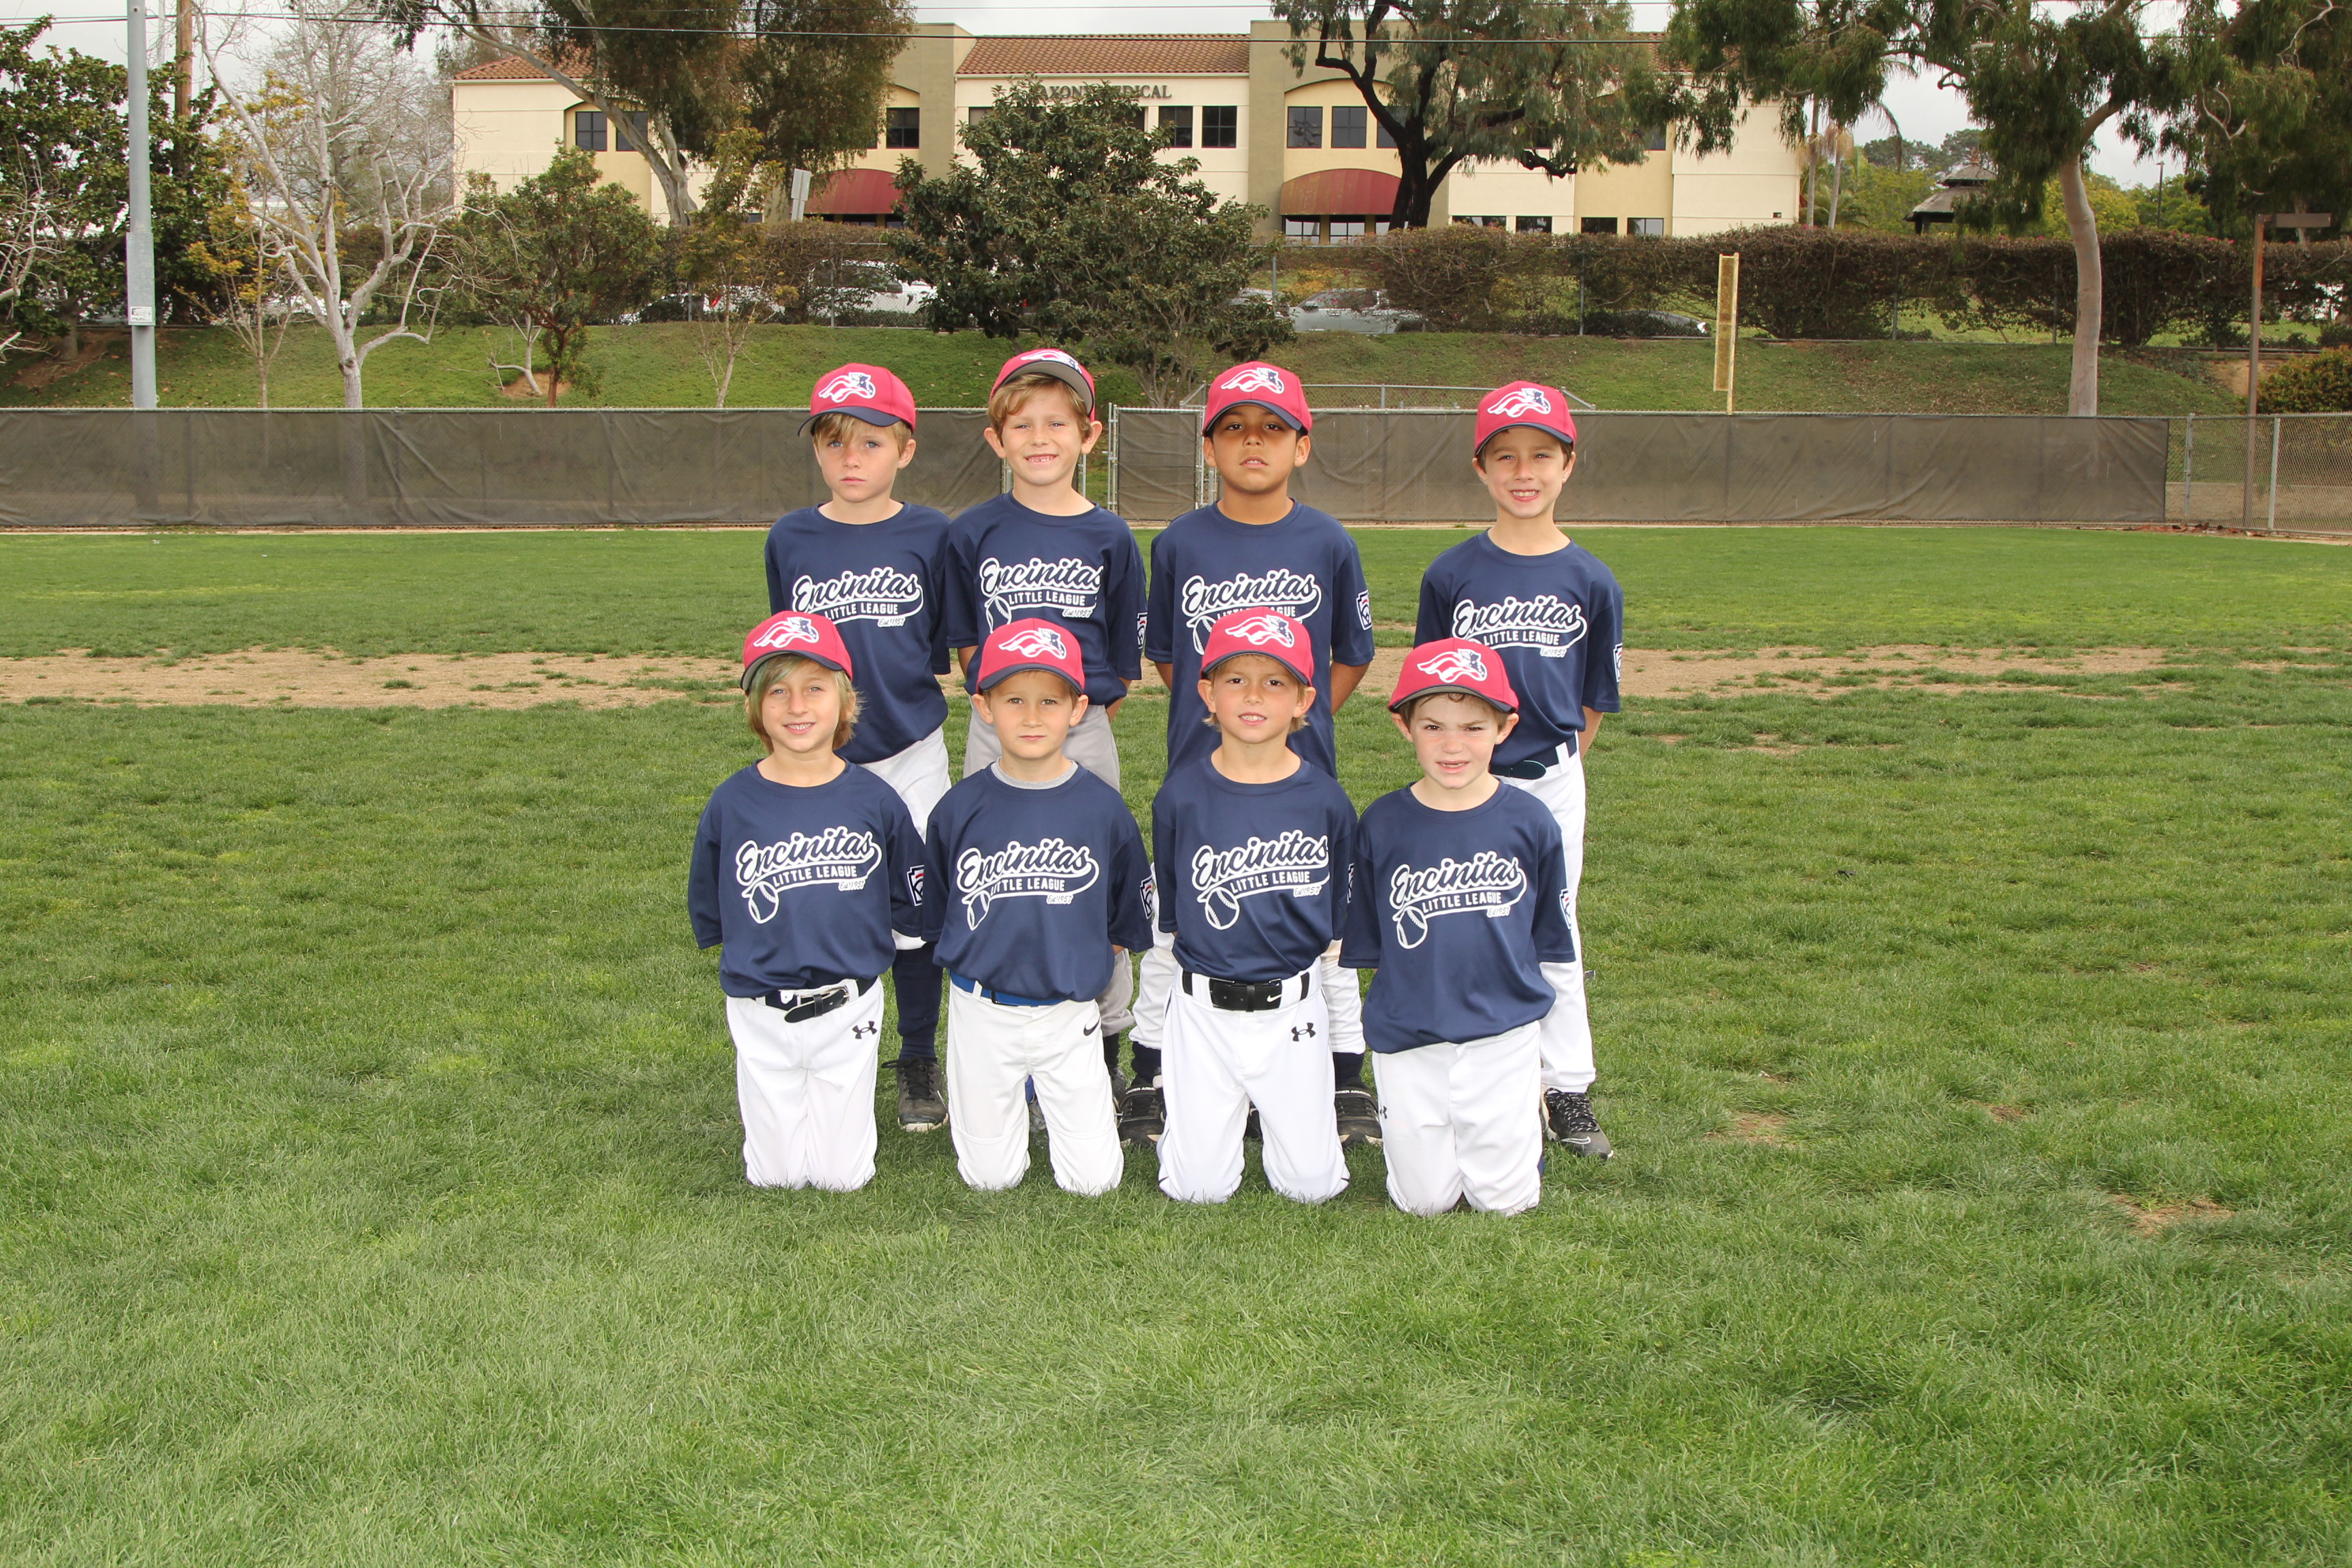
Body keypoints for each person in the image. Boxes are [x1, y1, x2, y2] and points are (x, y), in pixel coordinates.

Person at [1126, 361, 1378, 1152]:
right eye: (1234, 428)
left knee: (1322, 922)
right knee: (1177, 918)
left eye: (1273, 428)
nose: (1253, 442)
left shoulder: (1328, 541)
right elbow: (1169, 657)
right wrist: (1225, 719)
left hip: (1300, 772)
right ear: (1210, 447)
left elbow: (1352, 653)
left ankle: (1343, 1075)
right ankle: (1151, 1070)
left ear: (1303, 445)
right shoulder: (1180, 542)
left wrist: (1295, 719)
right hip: (1202, 770)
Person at [1414, 381, 1622, 1160]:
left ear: (1568, 465)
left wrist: (1549, 770)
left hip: (1552, 776)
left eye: (1541, 455)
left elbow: (1592, 702)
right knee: (1463, 914)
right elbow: (1430, 691)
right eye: (1505, 457)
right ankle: (1466, 1066)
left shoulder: (1592, 580)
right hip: (1463, 779)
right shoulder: (1451, 574)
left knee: (1553, 925)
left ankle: (1566, 1086)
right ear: (1481, 468)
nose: (1523, 472)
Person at [942, 348, 1147, 1087]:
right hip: (994, 726)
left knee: (1090, 881)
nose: (1039, 438)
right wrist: (1002, 709)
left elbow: (1120, 660)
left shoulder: (1110, 535)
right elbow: (967, 641)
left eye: (1057, 422)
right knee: (998, 875)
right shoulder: (972, 532)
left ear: (1089, 435)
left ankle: (1105, 1045)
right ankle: (1008, 1047)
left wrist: (1075, 717)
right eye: (1021, 424)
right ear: (995, 440)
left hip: (1082, 728)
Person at [764, 362, 953, 1137]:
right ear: (815, 448)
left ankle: (917, 1056)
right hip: (820, 759)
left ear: (905, 450)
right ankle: (830, 1051)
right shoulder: (791, 538)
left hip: (911, 747)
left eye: (872, 442)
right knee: (828, 898)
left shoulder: (932, 534)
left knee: (918, 909)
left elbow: (940, 645)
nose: (852, 457)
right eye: (834, 441)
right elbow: (789, 656)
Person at [688, 610, 926, 1192]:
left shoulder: (876, 800)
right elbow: (713, 899)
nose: (797, 706)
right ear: (755, 707)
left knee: (842, 1177)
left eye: (815, 688)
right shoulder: (732, 802)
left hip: (849, 1004)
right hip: (760, 1007)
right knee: (775, 1176)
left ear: (845, 702)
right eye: (778, 691)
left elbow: (914, 898)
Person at [1341, 638, 1577, 1217]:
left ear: (1505, 728)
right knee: (1423, 1202)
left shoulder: (1529, 820)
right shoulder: (1382, 822)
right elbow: (1371, 937)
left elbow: (1545, 932)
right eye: (1433, 727)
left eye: (1473, 728)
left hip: (1503, 1030)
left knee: (1504, 1203)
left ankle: (1519, 1128)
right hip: (1410, 1033)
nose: (1452, 745)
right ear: (1404, 727)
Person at [918, 618, 1154, 1196]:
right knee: (989, 1178)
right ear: (984, 707)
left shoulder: (1103, 811)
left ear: (1078, 709)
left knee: (1095, 1181)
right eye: (1013, 699)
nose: (1031, 716)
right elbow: (941, 914)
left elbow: (1123, 922)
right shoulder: (958, 809)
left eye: (1049, 700)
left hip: (1068, 1012)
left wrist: (1071, 960)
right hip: (981, 1011)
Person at [1140, 608, 1356, 1206]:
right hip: (1203, 1011)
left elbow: (1335, 928)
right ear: (1208, 693)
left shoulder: (1327, 800)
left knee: (1312, 1188)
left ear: (1304, 699)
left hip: (1294, 1007)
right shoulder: (1181, 796)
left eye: (1275, 682)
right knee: (1196, 1189)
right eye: (1236, 679)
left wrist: (1348, 1049)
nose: (1254, 696)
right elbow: (1174, 917)